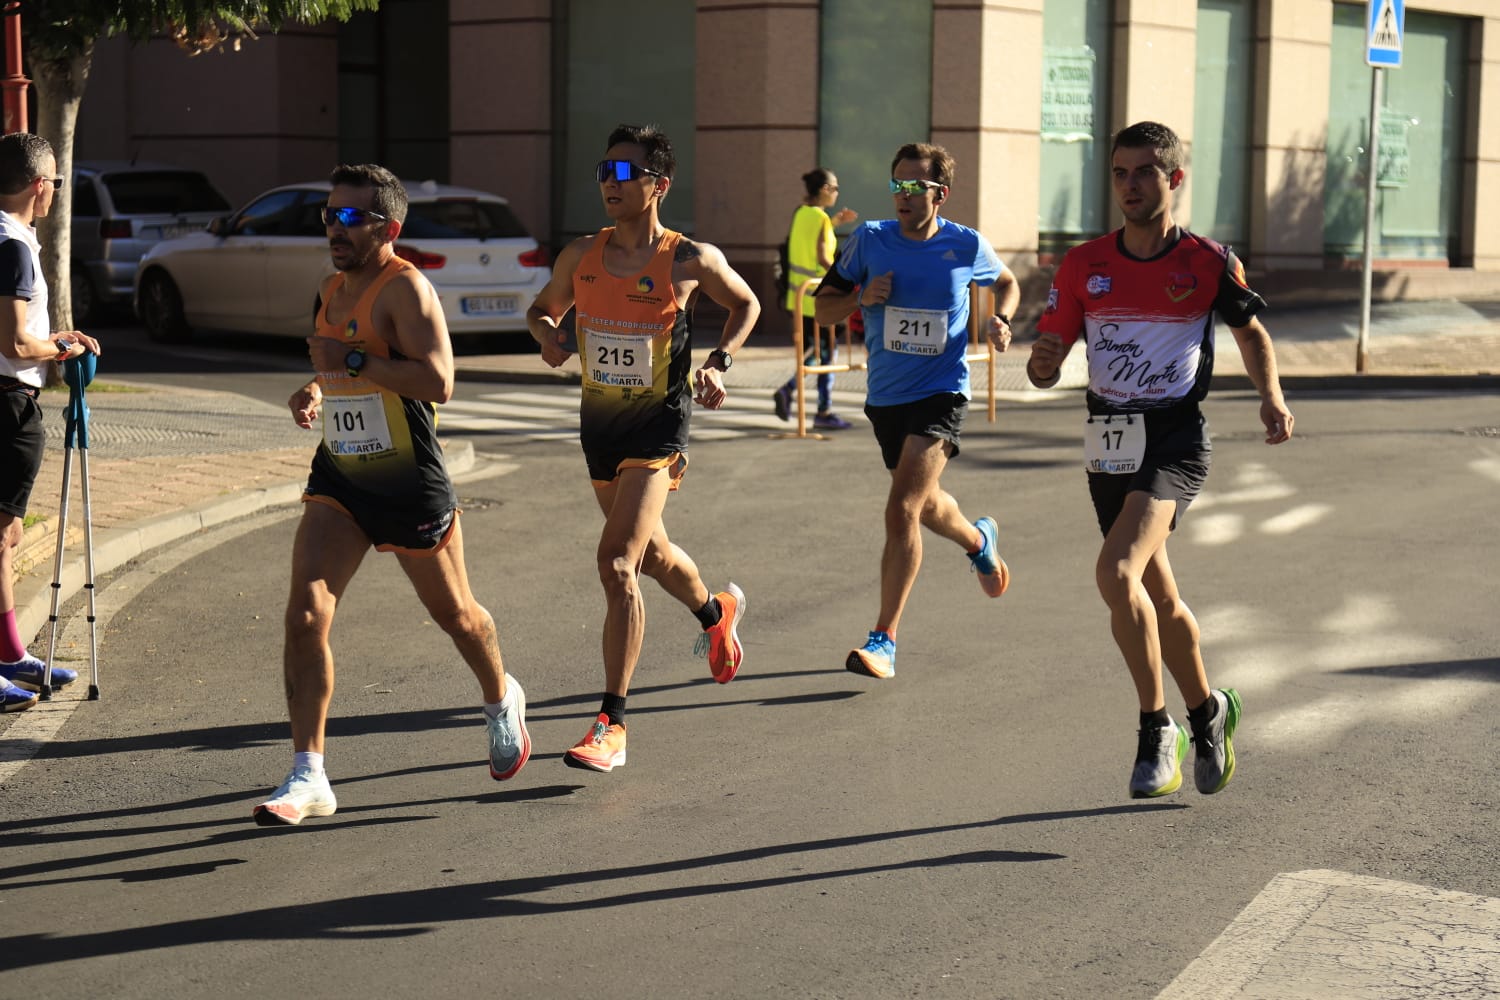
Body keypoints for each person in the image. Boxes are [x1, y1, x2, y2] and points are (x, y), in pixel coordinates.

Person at [254, 163, 530, 826]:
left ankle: (501, 698)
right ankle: (309, 774)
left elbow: (438, 381)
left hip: (408, 479)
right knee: (305, 616)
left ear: (389, 227)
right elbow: (332, 357)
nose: (334, 228)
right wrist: (317, 388)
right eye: (329, 215)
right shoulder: (330, 286)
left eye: (351, 217)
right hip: (343, 474)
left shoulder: (407, 289)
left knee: (458, 616)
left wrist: (351, 363)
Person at [1027, 121, 1294, 800]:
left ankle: (1157, 729)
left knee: (1117, 571)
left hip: (1174, 440)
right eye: (1119, 173)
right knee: (1155, 593)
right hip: (1107, 440)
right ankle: (1210, 713)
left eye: (1144, 172)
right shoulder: (1083, 263)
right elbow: (1047, 355)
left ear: (1174, 179)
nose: (1130, 185)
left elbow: (1251, 333)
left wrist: (1271, 398)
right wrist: (1043, 360)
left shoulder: (1207, 260)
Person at [526, 123, 758, 773]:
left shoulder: (688, 260)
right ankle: (717, 612)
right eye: (603, 170)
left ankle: (612, 724)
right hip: (599, 430)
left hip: (658, 431)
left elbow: (745, 305)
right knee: (650, 554)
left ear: (659, 184)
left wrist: (720, 362)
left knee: (617, 564)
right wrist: (548, 335)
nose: (608, 182)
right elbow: (541, 310)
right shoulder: (581, 255)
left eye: (623, 173)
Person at [815, 142, 1020, 680]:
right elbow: (821, 306)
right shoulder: (870, 241)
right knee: (927, 507)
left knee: (902, 507)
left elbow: (1006, 283)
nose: (903, 196)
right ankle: (979, 541)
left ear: (940, 194)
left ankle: (883, 639)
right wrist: (861, 297)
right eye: (897, 185)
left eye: (914, 187)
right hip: (887, 397)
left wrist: (1000, 319)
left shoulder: (964, 244)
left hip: (943, 392)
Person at [0, 133, 99, 712]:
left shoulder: (11, 240)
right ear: (40, 186)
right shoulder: (11, 244)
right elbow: (13, 343)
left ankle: (10, 654)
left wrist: (54, 340)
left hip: (11, 401)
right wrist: (60, 349)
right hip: (8, 402)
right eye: (56, 182)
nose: (56, 191)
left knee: (8, 537)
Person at [773, 167, 857, 430]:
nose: (836, 193)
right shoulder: (819, 218)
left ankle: (805, 399)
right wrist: (844, 276)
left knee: (818, 350)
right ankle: (816, 406)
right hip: (819, 297)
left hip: (798, 296)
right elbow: (822, 255)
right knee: (825, 352)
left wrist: (835, 224)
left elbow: (808, 242)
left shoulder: (801, 214)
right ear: (824, 190)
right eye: (834, 188)